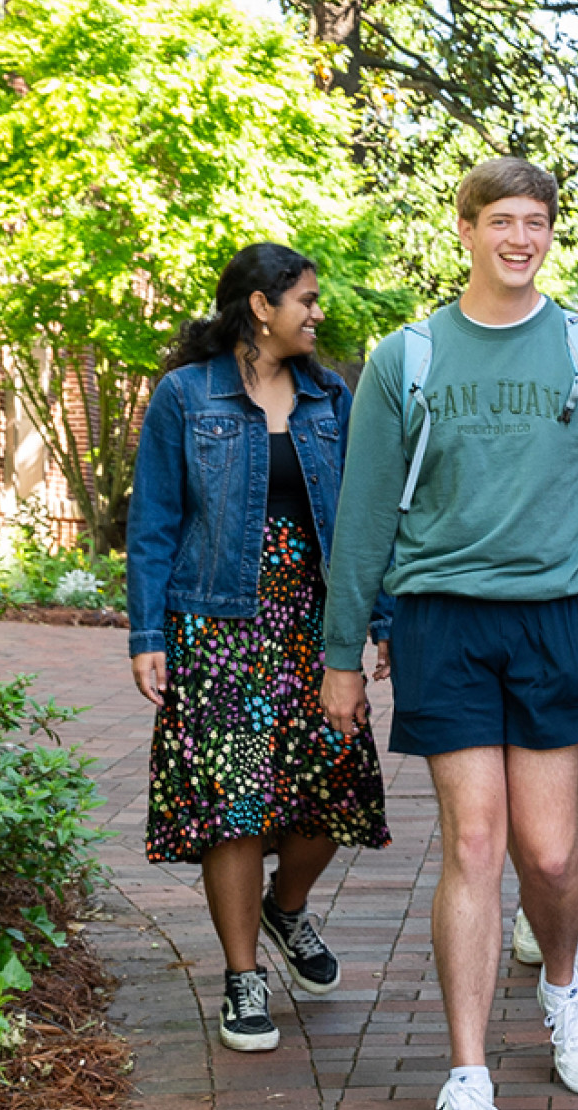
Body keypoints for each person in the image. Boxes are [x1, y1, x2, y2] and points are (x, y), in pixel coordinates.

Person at [318, 158, 578, 1110]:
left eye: (537, 221)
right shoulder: (409, 356)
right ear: (464, 229)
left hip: (553, 623)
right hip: (443, 621)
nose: (521, 237)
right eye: (502, 220)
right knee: (474, 842)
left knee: (550, 854)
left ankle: (563, 987)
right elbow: (365, 517)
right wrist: (343, 655)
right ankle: (467, 1067)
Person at [126, 243, 392, 1054]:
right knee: (233, 808)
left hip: (312, 624)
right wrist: (148, 634)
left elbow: (358, 517)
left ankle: (286, 908)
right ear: (259, 307)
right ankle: (243, 975)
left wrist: (375, 617)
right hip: (216, 626)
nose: (318, 314)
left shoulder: (328, 397)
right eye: (305, 300)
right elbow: (154, 521)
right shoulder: (185, 395)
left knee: (333, 793)